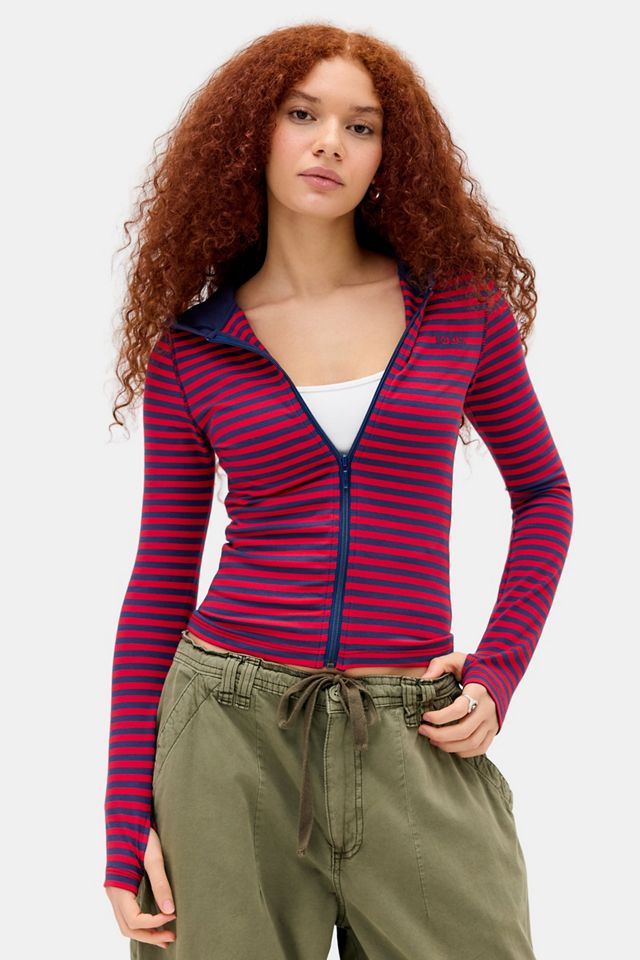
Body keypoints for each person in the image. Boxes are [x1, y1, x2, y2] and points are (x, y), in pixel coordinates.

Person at [103, 22, 573, 959]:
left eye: (361, 127)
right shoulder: (192, 351)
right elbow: (160, 576)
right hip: (228, 736)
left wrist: (498, 670)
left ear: (390, 158)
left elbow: (545, 495)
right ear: (253, 135)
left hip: (416, 731)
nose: (330, 143)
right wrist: (124, 819)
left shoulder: (461, 310)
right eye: (303, 115)